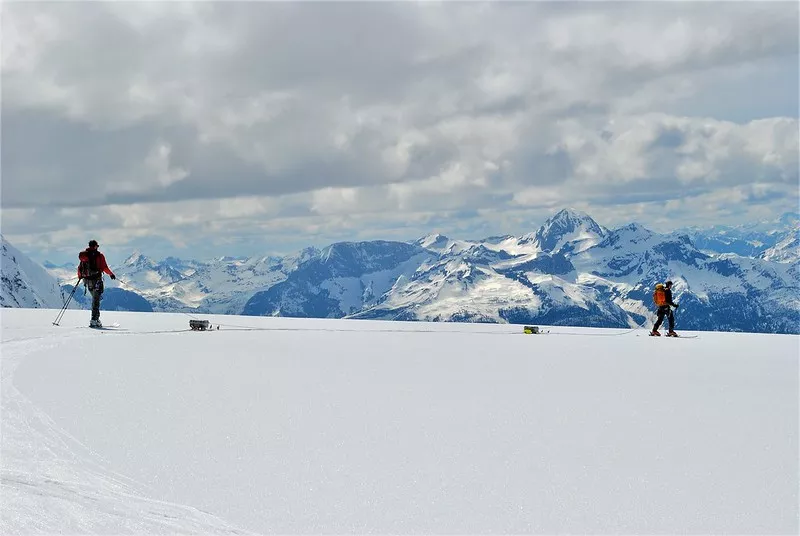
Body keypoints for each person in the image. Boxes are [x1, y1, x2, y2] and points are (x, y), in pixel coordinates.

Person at [77, 240, 116, 328]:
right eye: (97, 246)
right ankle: (94, 320)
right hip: (96, 280)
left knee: (95, 299)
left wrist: (80, 277)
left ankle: (96, 319)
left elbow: (80, 267)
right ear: (95, 246)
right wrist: (111, 274)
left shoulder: (84, 256)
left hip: (87, 281)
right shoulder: (99, 256)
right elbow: (104, 267)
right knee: (96, 300)